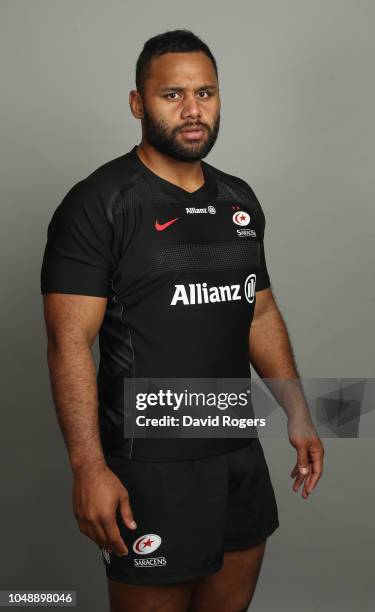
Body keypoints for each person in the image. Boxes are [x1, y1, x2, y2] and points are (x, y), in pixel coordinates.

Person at [40, 29, 324, 612]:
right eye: (172, 95)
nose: (193, 110)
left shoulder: (239, 200)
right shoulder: (100, 203)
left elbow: (259, 310)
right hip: (151, 467)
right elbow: (69, 343)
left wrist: (298, 412)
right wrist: (88, 468)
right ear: (137, 104)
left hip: (236, 454)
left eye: (206, 93)